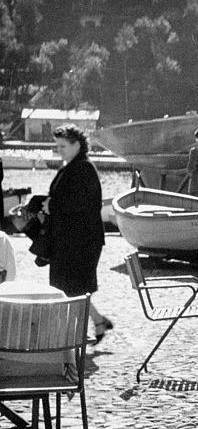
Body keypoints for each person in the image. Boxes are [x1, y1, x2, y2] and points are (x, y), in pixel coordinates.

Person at [45, 125, 113, 342]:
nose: (59, 150)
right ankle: (97, 321)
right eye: (57, 146)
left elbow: (78, 204)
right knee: (73, 287)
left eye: (63, 146)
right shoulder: (73, 167)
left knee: (72, 287)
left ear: (77, 145)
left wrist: (51, 206)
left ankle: (76, 335)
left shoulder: (82, 168)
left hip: (81, 240)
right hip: (72, 238)